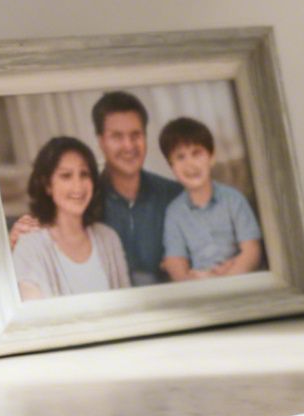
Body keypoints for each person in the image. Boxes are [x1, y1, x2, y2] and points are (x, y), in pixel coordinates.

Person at [10, 90, 182, 286]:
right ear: (101, 141)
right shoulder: (80, 200)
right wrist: (14, 240)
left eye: (136, 135)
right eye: (117, 136)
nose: (128, 146)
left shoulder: (174, 196)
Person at [11, 137, 132, 300]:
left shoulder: (108, 238)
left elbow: (128, 305)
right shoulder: (30, 247)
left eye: (84, 174)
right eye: (66, 176)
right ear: (47, 185)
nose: (78, 186)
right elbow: (36, 312)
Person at [158, 116, 263, 280]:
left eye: (196, 153)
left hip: (238, 278)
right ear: (172, 167)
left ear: (211, 157)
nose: (190, 164)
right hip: (200, 284)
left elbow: (252, 252)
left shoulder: (234, 199)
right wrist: (194, 282)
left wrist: (226, 280)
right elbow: (175, 262)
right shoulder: (174, 213)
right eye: (180, 157)